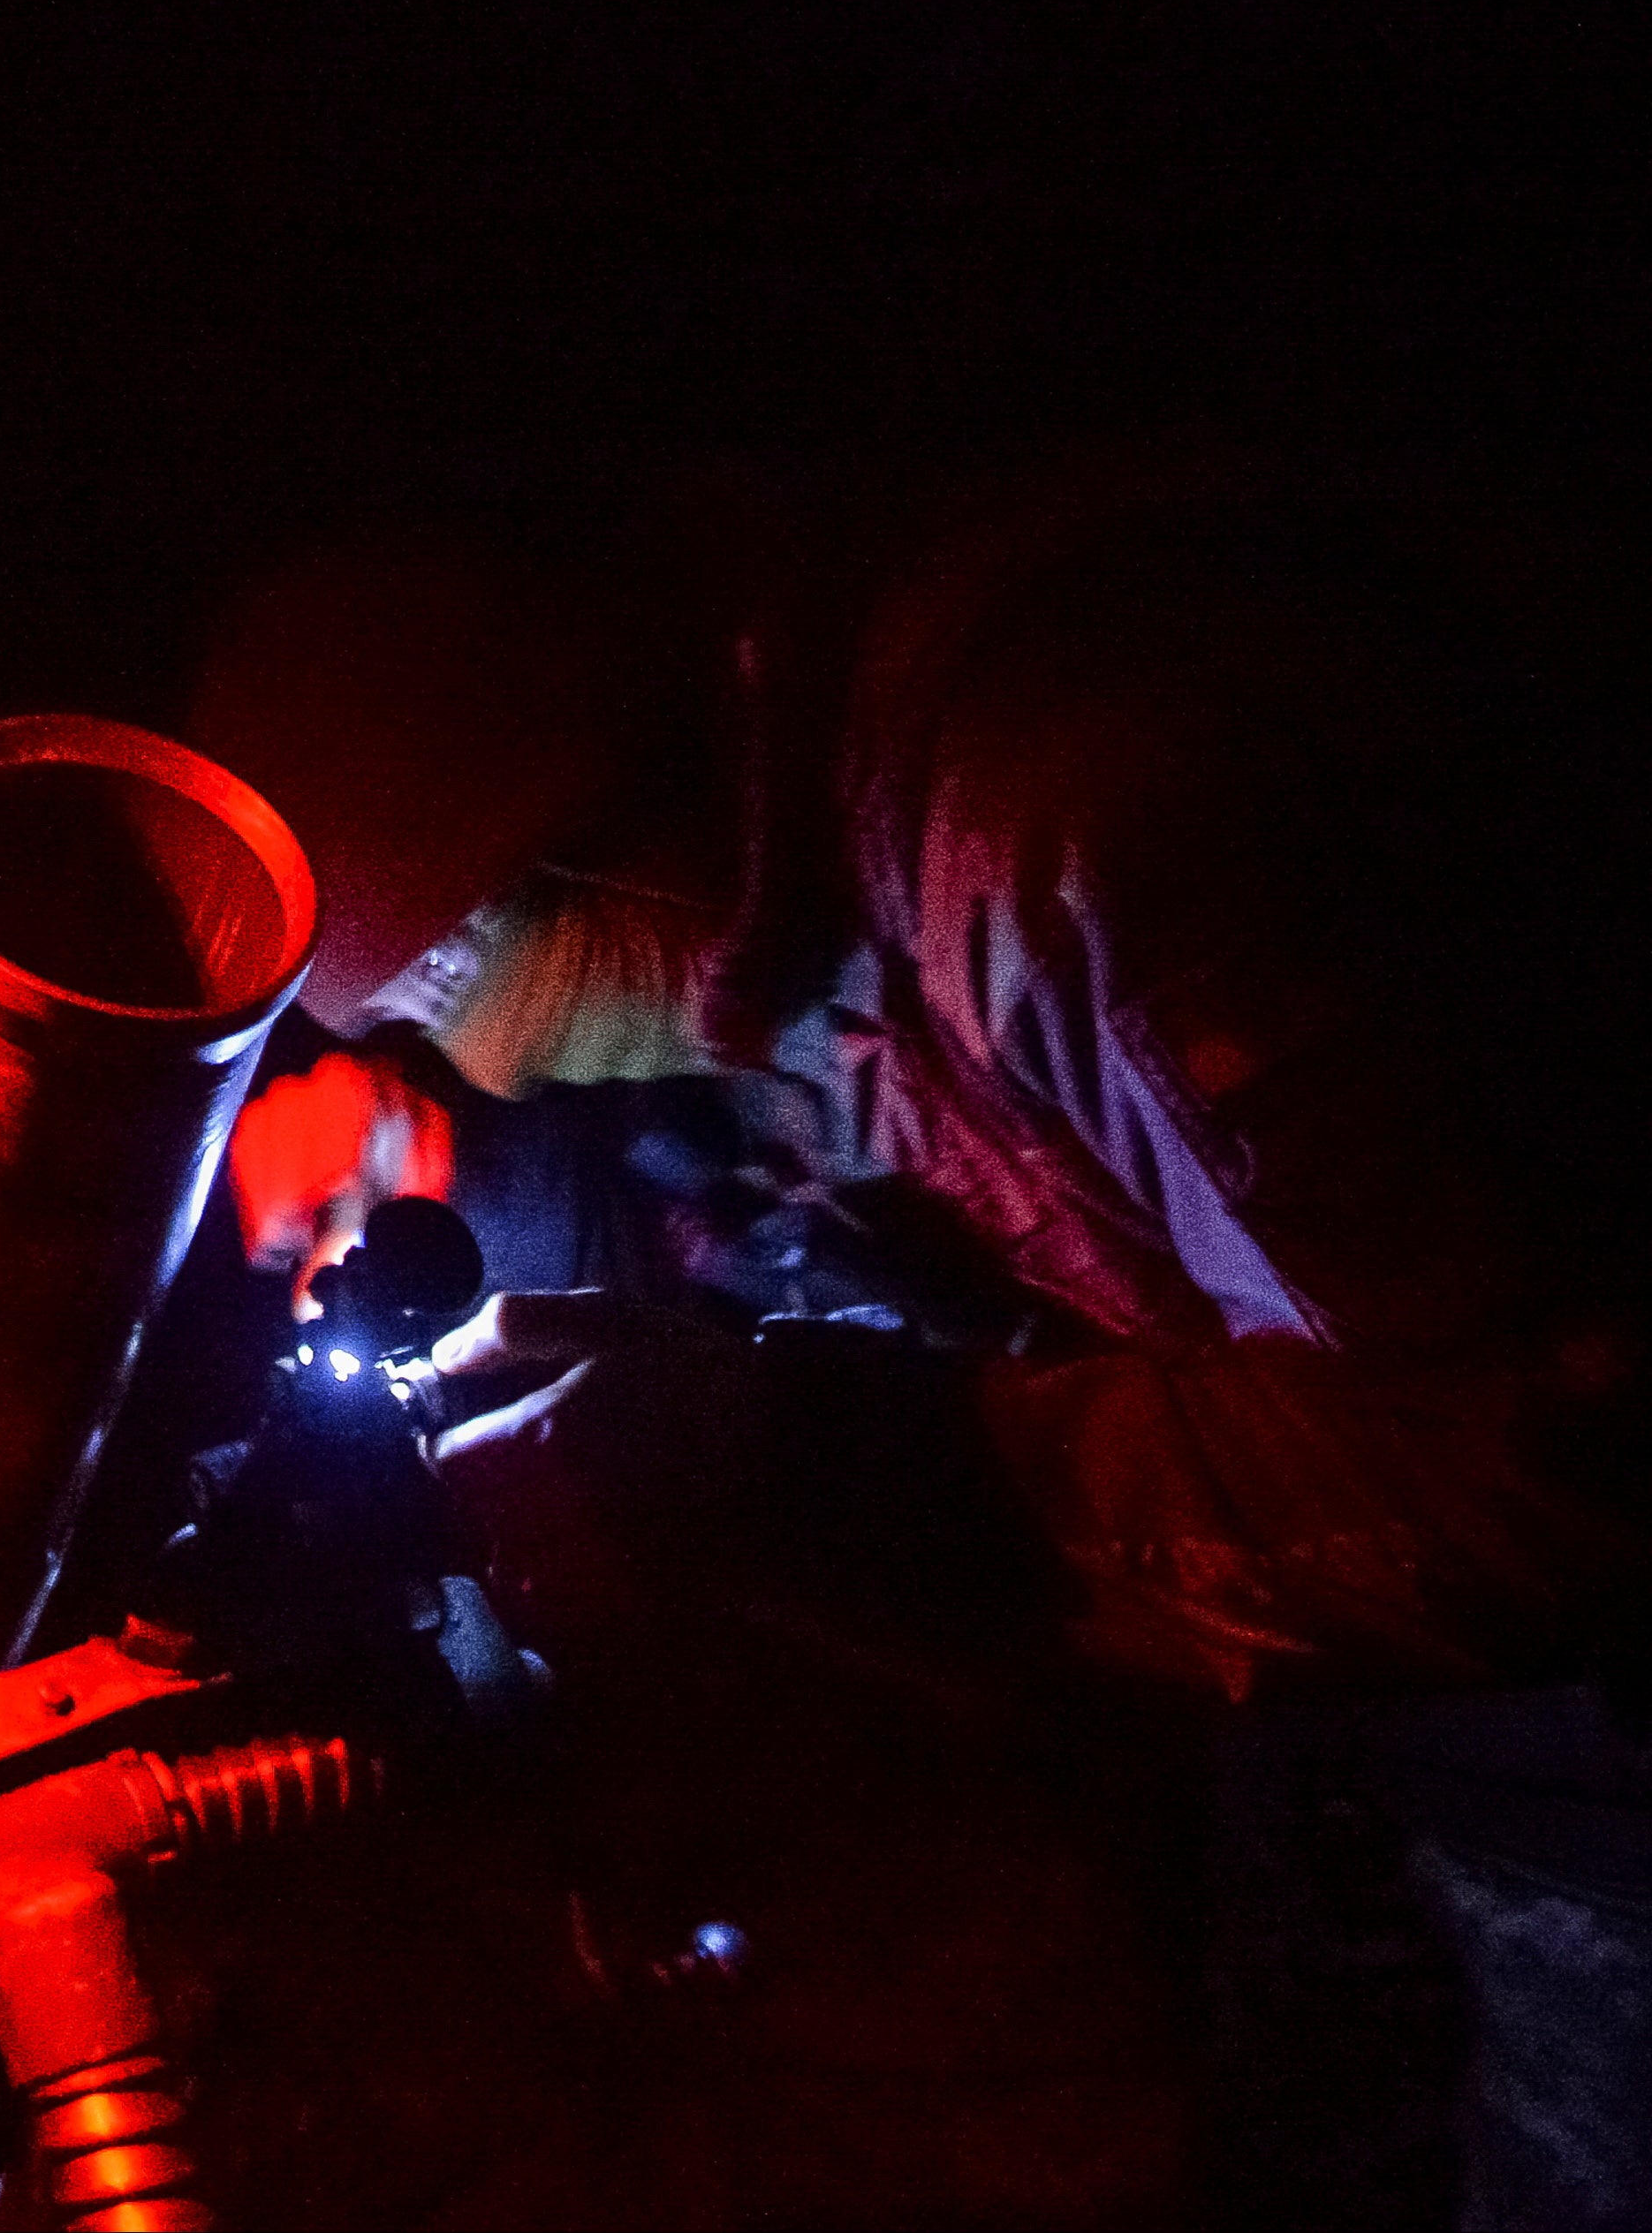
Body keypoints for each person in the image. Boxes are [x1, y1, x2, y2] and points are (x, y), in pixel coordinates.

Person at [195, 460, 1649, 2228]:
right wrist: (424, 1138)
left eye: (430, 1001)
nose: (472, 1061)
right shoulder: (806, 879)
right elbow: (875, 1124)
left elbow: (1547, 1478)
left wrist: (851, 1456)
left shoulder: (1074, 840)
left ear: (565, 847)